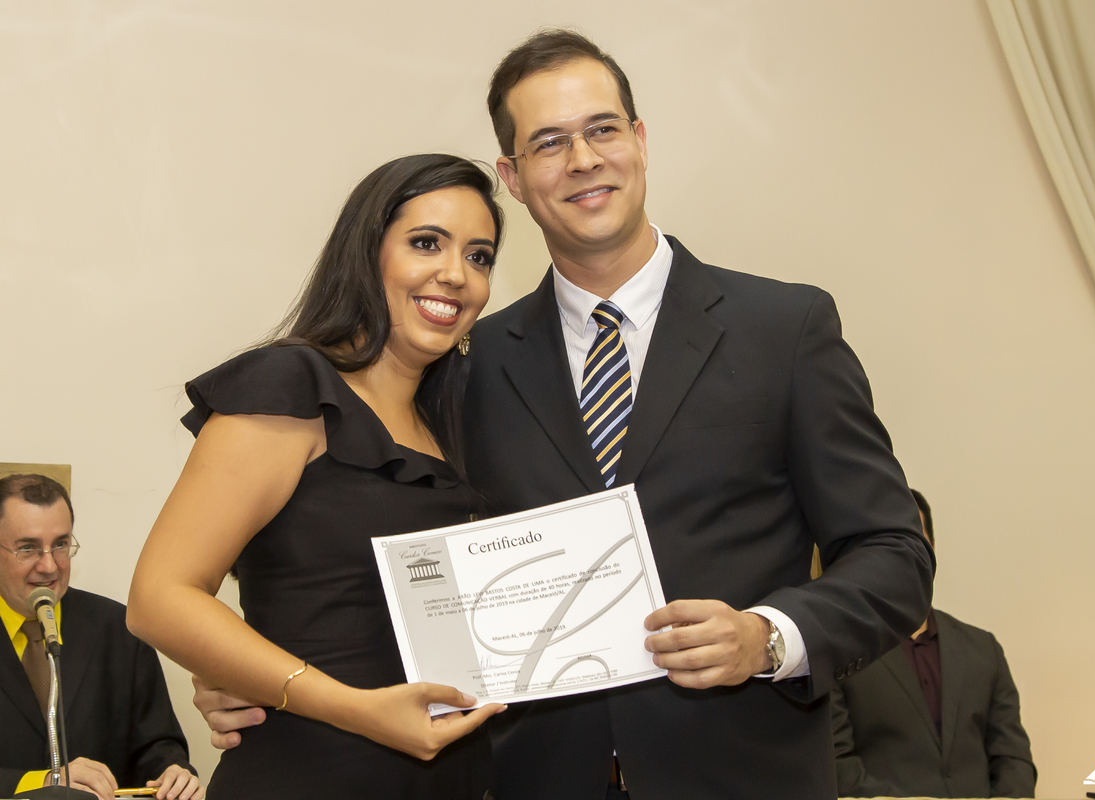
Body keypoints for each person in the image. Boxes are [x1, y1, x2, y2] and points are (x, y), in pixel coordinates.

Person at [195, 31, 935, 800]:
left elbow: (892, 553)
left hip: (742, 776)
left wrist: (769, 637)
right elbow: (377, 557)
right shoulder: (465, 366)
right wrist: (265, 678)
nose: (582, 159)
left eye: (602, 129)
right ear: (513, 178)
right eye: (549, 143)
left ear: (639, 141)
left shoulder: (785, 330)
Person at [126, 154, 507, 799]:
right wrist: (355, 709)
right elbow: (159, 600)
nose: (455, 274)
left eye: (479, 256)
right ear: (366, 252)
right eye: (426, 243)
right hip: (308, 776)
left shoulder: (455, 423)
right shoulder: (292, 384)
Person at [0, 474, 201, 800]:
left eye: (60, 545)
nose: (49, 566)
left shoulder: (121, 628)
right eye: (28, 548)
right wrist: (43, 781)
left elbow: (156, 746)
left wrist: (173, 774)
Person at [830, 489, 1036, 798]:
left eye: (913, 540)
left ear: (932, 550)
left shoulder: (984, 649)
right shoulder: (840, 652)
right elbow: (838, 767)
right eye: (887, 542)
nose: (900, 555)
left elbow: (1013, 761)